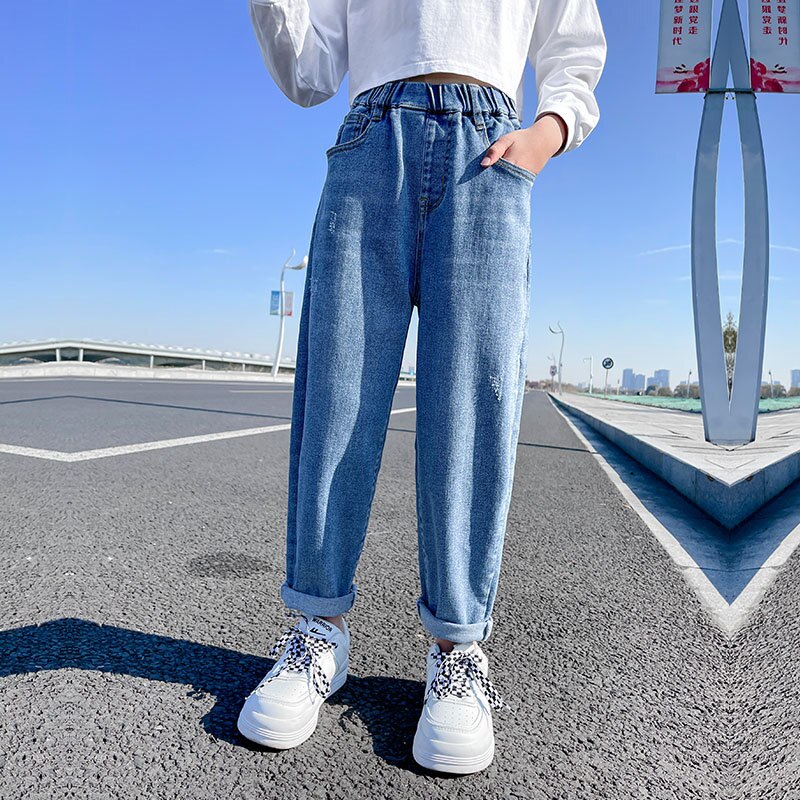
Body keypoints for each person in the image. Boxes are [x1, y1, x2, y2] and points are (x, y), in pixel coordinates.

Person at [238, 0, 606, 775]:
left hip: (491, 145)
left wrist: (545, 137)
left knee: (469, 405)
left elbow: (574, 49)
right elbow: (310, 75)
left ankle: (457, 647)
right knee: (338, 394)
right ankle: (317, 632)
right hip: (373, 138)